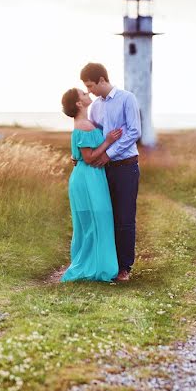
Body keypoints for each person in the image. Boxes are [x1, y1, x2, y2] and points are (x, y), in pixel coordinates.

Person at [80, 62, 141, 282]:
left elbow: (134, 131)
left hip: (126, 167)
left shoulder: (127, 98)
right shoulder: (96, 106)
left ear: (102, 80)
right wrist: (83, 153)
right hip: (103, 170)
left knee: (125, 219)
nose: (89, 91)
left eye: (90, 85)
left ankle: (125, 267)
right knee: (107, 217)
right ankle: (109, 264)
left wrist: (109, 154)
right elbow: (94, 135)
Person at [60, 87, 122, 282]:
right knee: (94, 222)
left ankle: (95, 264)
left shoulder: (86, 123)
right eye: (84, 94)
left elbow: (79, 155)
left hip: (91, 177)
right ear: (79, 103)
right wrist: (109, 141)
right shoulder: (84, 126)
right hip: (88, 178)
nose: (88, 95)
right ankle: (92, 267)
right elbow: (88, 158)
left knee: (95, 221)